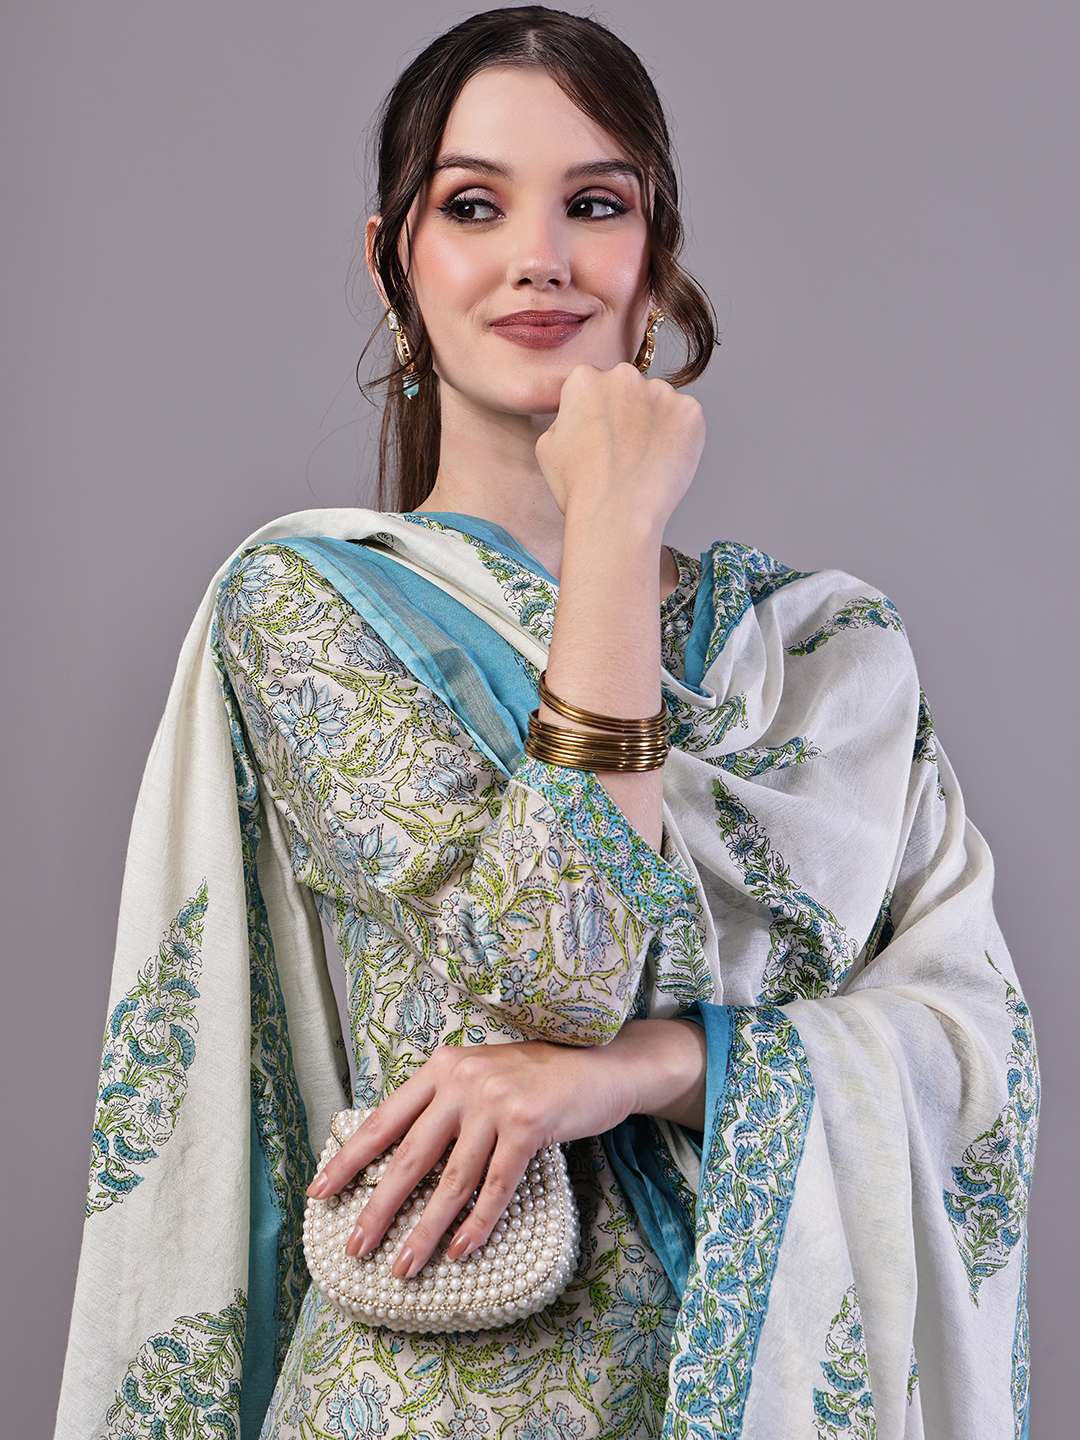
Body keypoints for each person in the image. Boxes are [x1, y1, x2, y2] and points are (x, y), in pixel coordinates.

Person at [52, 8, 1040, 1440]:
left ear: (655, 260)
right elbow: (550, 973)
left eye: (595, 204)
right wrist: (616, 522)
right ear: (393, 261)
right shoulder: (318, 604)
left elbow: (975, 1053)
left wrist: (645, 1072)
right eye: (474, 205)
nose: (541, 256)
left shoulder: (829, 654)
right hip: (439, 1400)